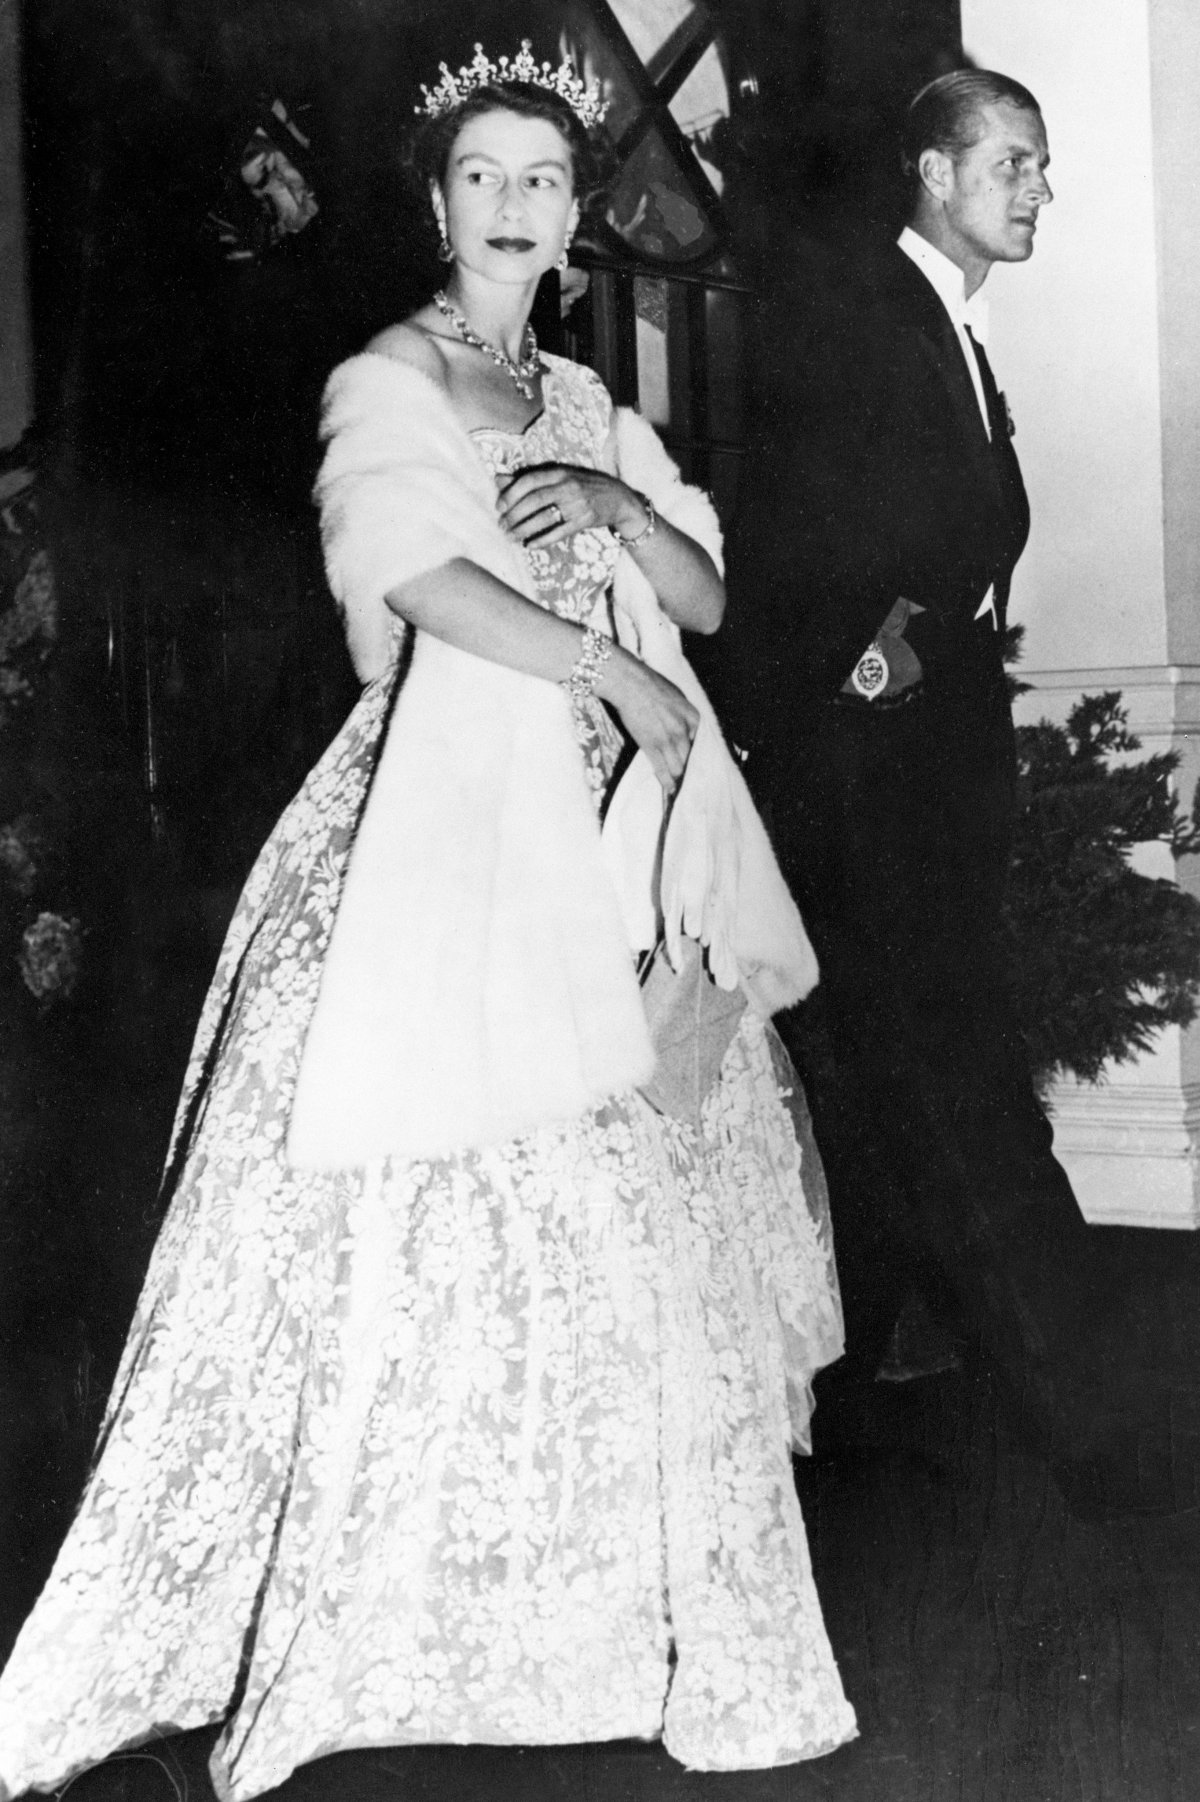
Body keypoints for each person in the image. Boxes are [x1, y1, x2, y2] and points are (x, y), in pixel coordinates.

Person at [0, 44, 856, 1802]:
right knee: (410, 1193)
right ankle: (391, 1611)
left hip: (605, 828)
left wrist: (624, 512)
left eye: (544, 178)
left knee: (616, 1205)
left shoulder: (598, 402)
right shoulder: (384, 374)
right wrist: (605, 658)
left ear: (573, 213)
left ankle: (574, 1605)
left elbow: (708, 580)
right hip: (436, 823)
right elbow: (409, 578)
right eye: (484, 175)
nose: (517, 206)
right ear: (440, 200)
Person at [725, 68, 1193, 1518]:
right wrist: (886, 684)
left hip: (924, 783)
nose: (1038, 187)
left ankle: (833, 1418)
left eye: (1044, 167)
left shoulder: (942, 325)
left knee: (927, 1104)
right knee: (970, 1108)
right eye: (1013, 162)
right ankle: (1108, 1443)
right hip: (881, 798)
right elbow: (830, 556)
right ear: (933, 170)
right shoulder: (870, 319)